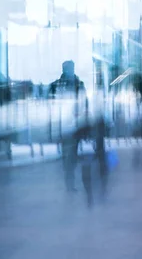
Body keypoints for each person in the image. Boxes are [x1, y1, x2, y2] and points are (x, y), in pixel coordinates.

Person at [50, 60, 87, 192]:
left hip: (73, 126)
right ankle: (69, 182)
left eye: (71, 68)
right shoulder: (59, 85)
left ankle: (69, 181)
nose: (70, 70)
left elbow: (84, 104)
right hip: (66, 126)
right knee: (69, 156)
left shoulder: (76, 84)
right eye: (68, 68)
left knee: (71, 155)